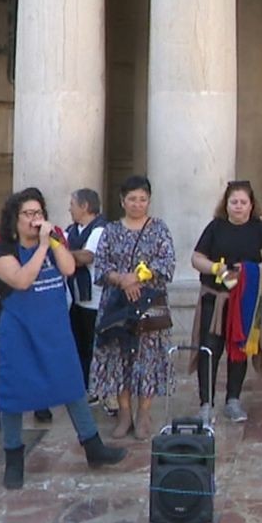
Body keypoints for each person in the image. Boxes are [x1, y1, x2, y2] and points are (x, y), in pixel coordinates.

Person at [0, 188, 126, 488]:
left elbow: (69, 267)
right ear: (14, 218)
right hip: (20, 332)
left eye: (39, 213)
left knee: (72, 386)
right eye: (28, 214)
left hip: (54, 329)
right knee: (13, 396)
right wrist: (39, 249)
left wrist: (54, 241)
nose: (35, 219)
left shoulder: (52, 242)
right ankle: (13, 459)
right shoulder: (2, 251)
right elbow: (22, 280)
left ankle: (93, 446)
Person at [89, 175, 176, 439]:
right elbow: (101, 267)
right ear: (122, 201)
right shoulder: (111, 231)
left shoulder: (159, 229)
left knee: (147, 358)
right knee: (118, 357)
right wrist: (122, 280)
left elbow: (167, 263)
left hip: (148, 303)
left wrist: (139, 277)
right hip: (117, 304)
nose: (138, 204)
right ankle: (124, 412)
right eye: (132, 199)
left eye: (143, 199)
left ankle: (144, 413)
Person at [191, 180, 262, 424]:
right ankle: (205, 404)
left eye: (243, 202)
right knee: (209, 349)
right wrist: (216, 268)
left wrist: (249, 271)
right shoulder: (215, 227)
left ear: (251, 205)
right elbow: (197, 258)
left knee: (239, 349)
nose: (238, 207)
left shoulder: (260, 230)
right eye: (234, 202)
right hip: (215, 298)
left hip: (245, 300)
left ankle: (233, 400)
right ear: (226, 204)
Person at [64, 188, 107, 413]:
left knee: (93, 346)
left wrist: (60, 253)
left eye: (72, 204)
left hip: (95, 300)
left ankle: (96, 388)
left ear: (85, 207)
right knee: (78, 345)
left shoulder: (100, 230)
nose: (69, 208)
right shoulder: (72, 230)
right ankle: (81, 387)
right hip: (76, 299)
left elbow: (87, 257)